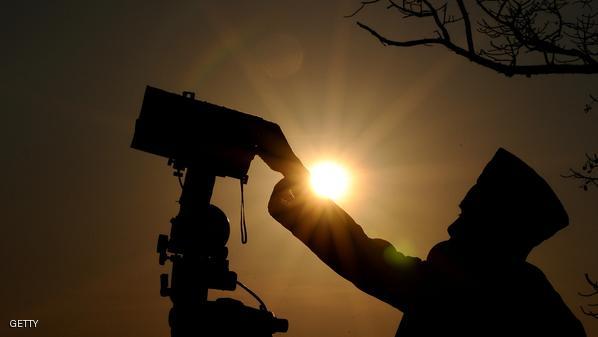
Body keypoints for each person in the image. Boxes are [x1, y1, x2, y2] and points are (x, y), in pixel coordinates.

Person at [256, 122, 586, 337]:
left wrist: (297, 178)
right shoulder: (535, 298)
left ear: (496, 228)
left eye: (467, 215)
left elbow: (366, 260)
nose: (451, 226)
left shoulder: (482, 290)